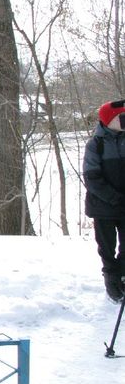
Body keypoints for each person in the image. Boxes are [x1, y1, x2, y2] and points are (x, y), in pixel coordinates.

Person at [84, 99, 125, 303]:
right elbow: (92, 178)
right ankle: (112, 282)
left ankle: (123, 279)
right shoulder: (96, 145)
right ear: (109, 121)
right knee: (107, 248)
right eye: (122, 118)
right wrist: (115, 198)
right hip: (103, 208)